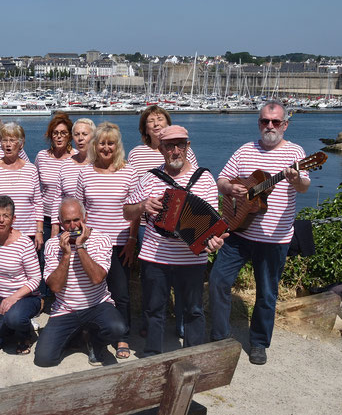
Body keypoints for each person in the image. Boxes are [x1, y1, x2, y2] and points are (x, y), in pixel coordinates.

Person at [210, 101, 310, 365]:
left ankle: (258, 343)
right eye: (265, 121)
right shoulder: (244, 151)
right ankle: (220, 337)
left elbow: (304, 187)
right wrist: (231, 190)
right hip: (239, 232)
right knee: (219, 281)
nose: (270, 126)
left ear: (285, 125)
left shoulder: (296, 153)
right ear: (259, 123)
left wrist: (296, 178)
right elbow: (221, 180)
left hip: (275, 240)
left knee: (267, 294)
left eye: (275, 122)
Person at [123, 125, 227, 356]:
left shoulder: (205, 178)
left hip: (192, 260)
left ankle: (191, 358)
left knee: (194, 311)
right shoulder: (150, 177)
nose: (176, 151)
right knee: (153, 310)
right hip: (154, 256)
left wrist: (213, 242)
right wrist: (142, 206)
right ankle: (152, 357)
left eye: (181, 145)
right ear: (161, 149)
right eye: (170, 146)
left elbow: (211, 226)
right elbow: (127, 212)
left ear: (188, 147)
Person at [128, 105, 198, 340]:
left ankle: (181, 323)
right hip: (148, 226)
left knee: (183, 281)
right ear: (144, 128)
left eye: (160, 119)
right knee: (152, 280)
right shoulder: (137, 154)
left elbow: (194, 184)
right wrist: (132, 232)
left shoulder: (186, 151)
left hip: (180, 224)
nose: (156, 124)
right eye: (151, 121)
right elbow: (134, 194)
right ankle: (151, 323)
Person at [34, 199, 126, 367]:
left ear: (86, 217)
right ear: (61, 223)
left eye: (77, 219)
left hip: (97, 305)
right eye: (67, 222)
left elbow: (97, 278)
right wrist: (66, 255)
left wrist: (80, 246)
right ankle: (76, 335)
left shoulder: (102, 239)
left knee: (117, 328)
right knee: (44, 359)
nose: (73, 225)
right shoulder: (52, 245)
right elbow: (54, 287)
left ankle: (95, 341)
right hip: (65, 308)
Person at [74, 122, 137, 359]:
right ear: (95, 145)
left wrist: (132, 239)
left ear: (117, 146)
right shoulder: (85, 173)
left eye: (111, 143)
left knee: (120, 293)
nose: (106, 148)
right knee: (93, 293)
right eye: (102, 143)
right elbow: (81, 212)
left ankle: (122, 336)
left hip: (121, 243)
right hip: (93, 245)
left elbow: (134, 210)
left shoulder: (128, 172)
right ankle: (95, 338)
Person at [0, 195, 42, 355]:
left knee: (15, 317)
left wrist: (13, 298)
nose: (1, 220)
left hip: (24, 297)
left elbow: (36, 279)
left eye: (6, 216)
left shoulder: (24, 243)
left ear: (13, 219)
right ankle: (9, 326)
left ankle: (24, 334)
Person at [0, 122, 43, 251]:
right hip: (0, 233)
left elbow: (38, 203)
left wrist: (39, 231)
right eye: (4, 140)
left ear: (21, 144)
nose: (8, 144)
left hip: (28, 233)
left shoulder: (31, 170)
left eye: (12, 140)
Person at [49, 117, 95, 237]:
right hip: (69, 229)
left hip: (94, 229)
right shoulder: (66, 165)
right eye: (76, 134)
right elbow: (58, 198)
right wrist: (55, 227)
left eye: (85, 134)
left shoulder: (99, 165)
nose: (80, 138)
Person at [36, 112, 74, 243]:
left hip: (70, 219)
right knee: (46, 258)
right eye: (55, 133)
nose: (59, 137)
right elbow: (35, 188)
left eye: (63, 133)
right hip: (46, 217)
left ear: (69, 135)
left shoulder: (78, 158)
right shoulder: (42, 156)